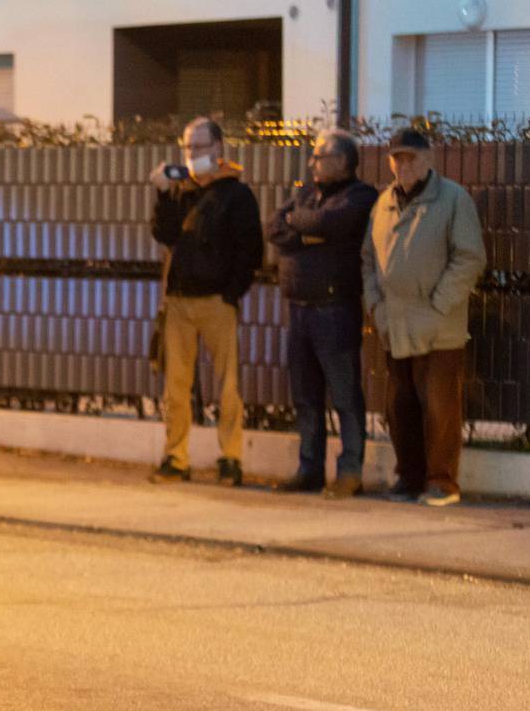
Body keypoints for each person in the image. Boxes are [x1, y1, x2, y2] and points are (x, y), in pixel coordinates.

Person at [363, 127, 487, 506]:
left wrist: (438, 304)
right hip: (395, 325)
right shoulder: (383, 203)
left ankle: (441, 481)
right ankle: (409, 477)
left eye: (411, 158)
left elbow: (470, 257)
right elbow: (368, 260)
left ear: (429, 159)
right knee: (400, 407)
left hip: (438, 327)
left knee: (440, 407)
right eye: (397, 159)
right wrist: (377, 308)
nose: (403, 165)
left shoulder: (452, 199)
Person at [147, 116, 263, 486]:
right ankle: (175, 457)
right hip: (180, 301)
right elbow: (164, 234)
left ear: (217, 149)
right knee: (176, 388)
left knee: (228, 386)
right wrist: (164, 193)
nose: (192, 154)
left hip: (216, 300)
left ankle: (231, 458)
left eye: (199, 147)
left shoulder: (236, 194)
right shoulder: (182, 190)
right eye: (187, 147)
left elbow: (250, 250)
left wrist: (230, 293)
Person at [266, 129, 378, 498]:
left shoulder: (359, 196)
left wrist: (303, 226)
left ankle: (349, 472)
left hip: (335, 307)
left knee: (344, 393)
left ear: (343, 161)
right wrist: (306, 231)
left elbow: (327, 224)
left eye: (321, 157)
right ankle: (309, 468)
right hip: (299, 307)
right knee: (305, 395)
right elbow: (273, 226)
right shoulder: (307, 194)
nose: (313, 163)